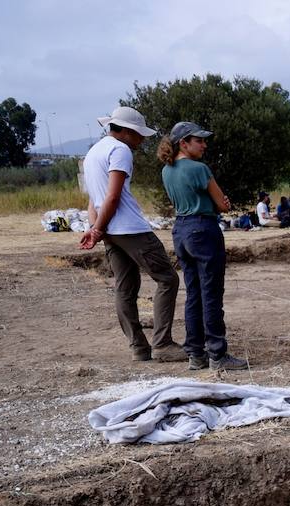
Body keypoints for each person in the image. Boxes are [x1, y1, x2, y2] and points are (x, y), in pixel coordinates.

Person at [78, 106, 180, 362]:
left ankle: (139, 347)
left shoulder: (92, 153)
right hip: (129, 228)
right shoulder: (120, 150)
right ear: (124, 131)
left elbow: (95, 200)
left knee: (125, 288)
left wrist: (97, 228)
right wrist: (99, 228)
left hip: (110, 231)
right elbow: (112, 195)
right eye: (138, 134)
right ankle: (163, 344)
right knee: (167, 279)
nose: (142, 140)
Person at [158, 121, 247, 371]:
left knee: (193, 293)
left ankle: (195, 354)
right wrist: (219, 201)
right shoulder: (198, 168)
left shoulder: (167, 170)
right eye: (199, 140)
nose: (204, 144)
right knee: (211, 294)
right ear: (183, 143)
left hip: (181, 229)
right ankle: (218, 354)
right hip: (203, 229)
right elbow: (222, 204)